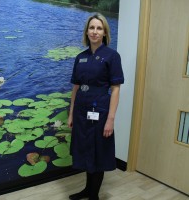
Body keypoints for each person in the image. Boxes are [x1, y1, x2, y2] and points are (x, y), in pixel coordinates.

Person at [67, 13, 124, 200]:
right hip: (81, 113)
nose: (95, 31)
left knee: (98, 154)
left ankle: (94, 196)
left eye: (99, 28)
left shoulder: (112, 56)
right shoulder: (80, 57)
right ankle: (87, 190)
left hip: (100, 112)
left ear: (105, 32)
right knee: (85, 152)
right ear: (86, 31)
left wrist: (111, 119)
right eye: (92, 28)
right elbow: (75, 88)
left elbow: (115, 89)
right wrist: (71, 114)